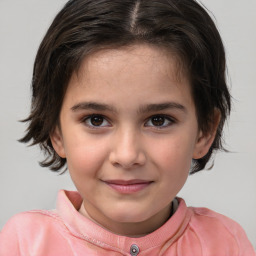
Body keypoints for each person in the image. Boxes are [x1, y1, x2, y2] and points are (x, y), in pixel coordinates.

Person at [0, 0, 255, 255]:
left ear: (204, 132)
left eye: (158, 120)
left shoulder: (225, 243)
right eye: (96, 120)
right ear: (56, 131)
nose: (127, 155)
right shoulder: (23, 244)